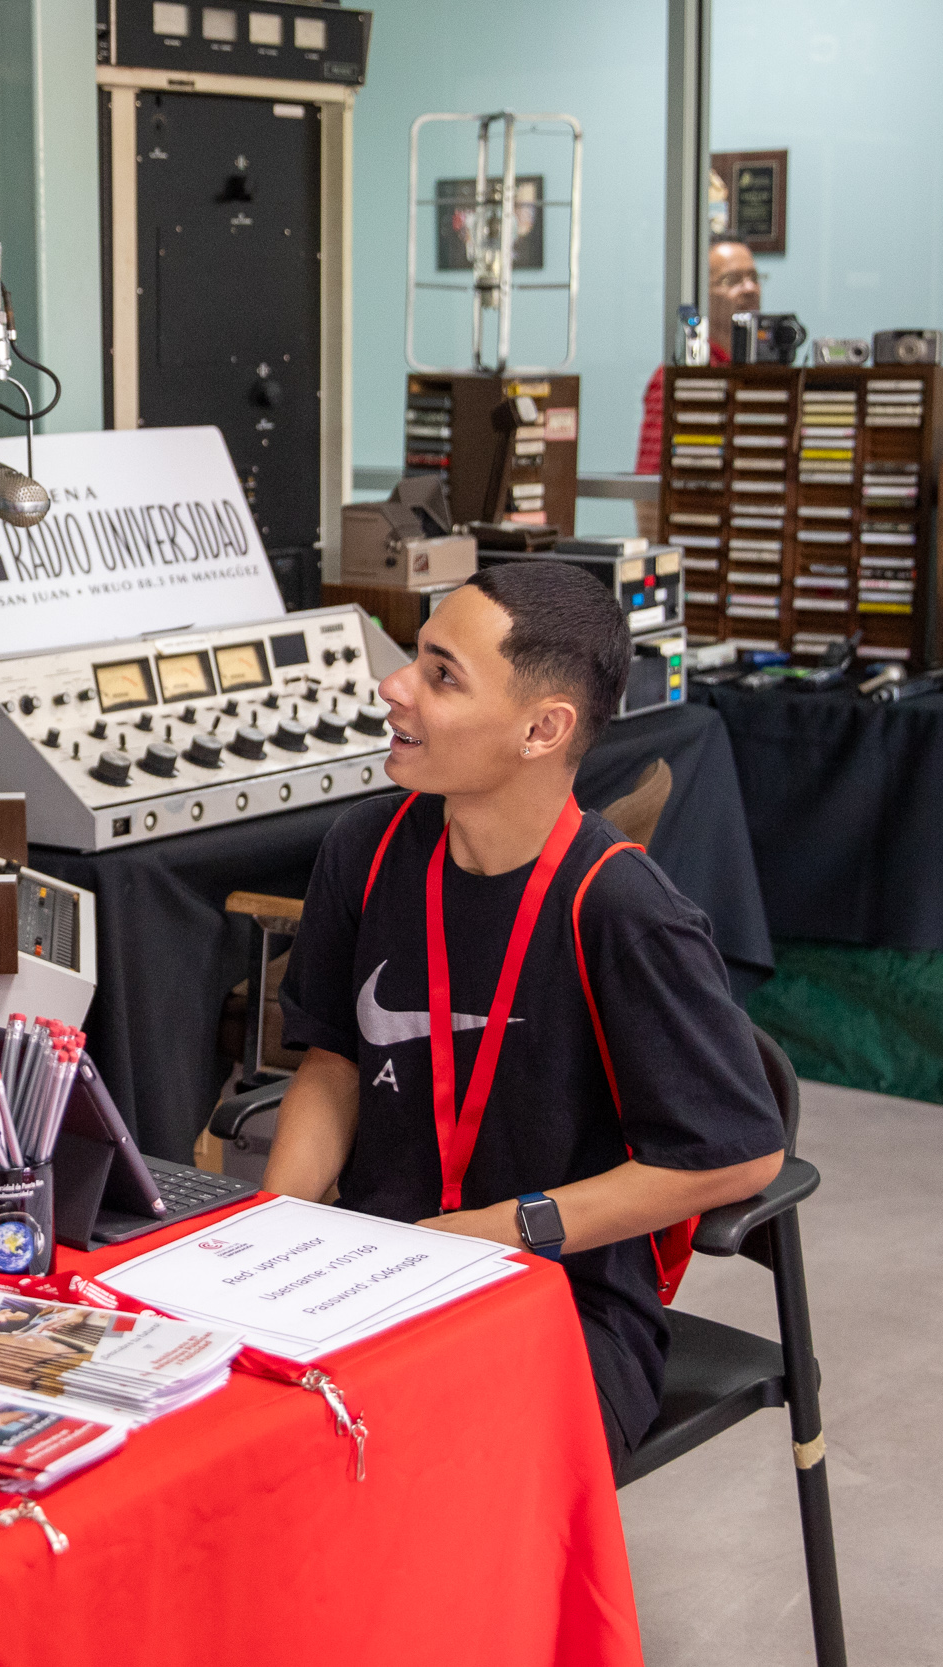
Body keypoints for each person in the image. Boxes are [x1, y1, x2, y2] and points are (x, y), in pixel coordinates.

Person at [261, 562, 786, 1457]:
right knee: (231, 1415)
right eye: (411, 659)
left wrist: (505, 1228)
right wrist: (264, 1232)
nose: (394, 688)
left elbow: (739, 1155)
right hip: (375, 1268)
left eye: (440, 674)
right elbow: (334, 1063)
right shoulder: (367, 845)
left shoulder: (626, 911)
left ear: (543, 729)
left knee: (385, 1450)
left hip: (562, 1309)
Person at [634, 236, 761, 540]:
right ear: (702, 295)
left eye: (754, 278)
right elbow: (650, 488)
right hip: (699, 546)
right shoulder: (677, 379)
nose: (749, 289)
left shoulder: (761, 375)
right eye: (732, 280)